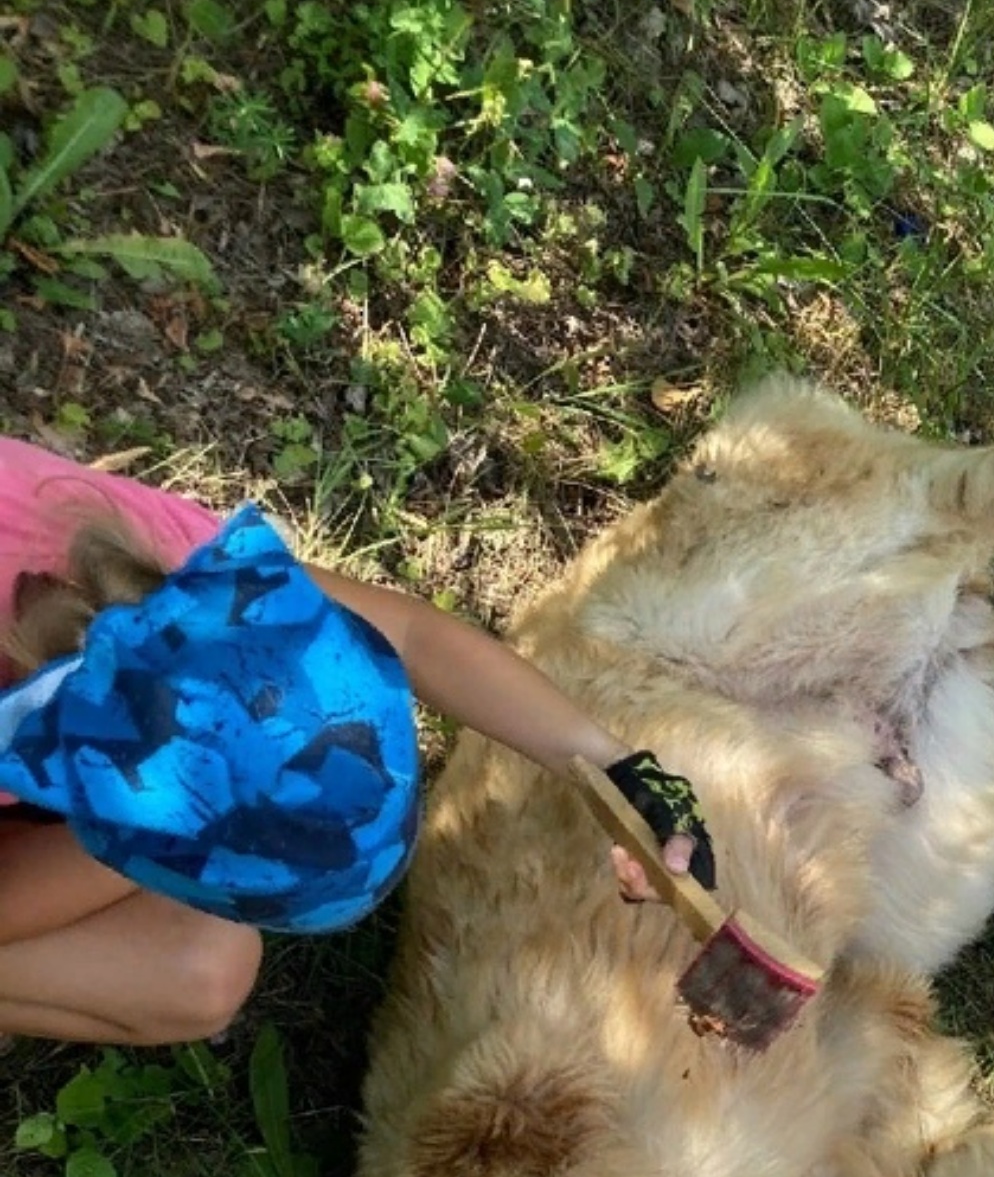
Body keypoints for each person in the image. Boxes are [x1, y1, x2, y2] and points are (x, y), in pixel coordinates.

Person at [0, 439, 702, 1043]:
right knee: (184, 974)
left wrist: (615, 766)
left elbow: (413, 634)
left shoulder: (174, 570)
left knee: (205, 968)